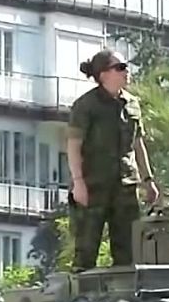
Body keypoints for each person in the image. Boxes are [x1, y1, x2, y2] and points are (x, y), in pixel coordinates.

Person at [65, 48, 159, 272]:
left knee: (128, 252)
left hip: (125, 186)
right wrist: (78, 183)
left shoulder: (132, 104)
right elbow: (73, 145)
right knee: (86, 250)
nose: (127, 72)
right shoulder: (86, 106)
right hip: (93, 186)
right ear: (103, 74)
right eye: (121, 67)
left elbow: (138, 144)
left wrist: (148, 180)